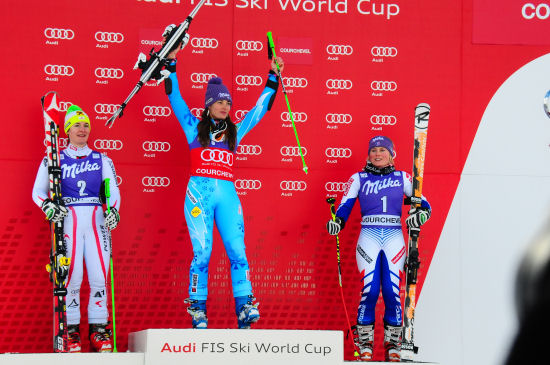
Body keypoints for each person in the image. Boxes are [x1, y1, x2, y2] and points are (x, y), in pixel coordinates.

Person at [163, 30, 282, 329]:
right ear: (208, 105)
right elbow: (173, 95)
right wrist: (172, 61)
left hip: (228, 195)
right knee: (202, 252)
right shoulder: (193, 128)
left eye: (228, 102)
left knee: (237, 251)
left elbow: (261, 108)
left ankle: (244, 307)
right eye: (220, 102)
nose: (225, 106)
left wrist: (273, 75)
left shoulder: (234, 132)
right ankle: (198, 309)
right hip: (199, 195)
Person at [326, 135, 431, 362]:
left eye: (382, 150)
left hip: (394, 237)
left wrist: (420, 215)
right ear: (368, 155)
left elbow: (425, 204)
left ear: (392, 154)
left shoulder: (402, 177)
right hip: (369, 237)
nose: (377, 154)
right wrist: (337, 222)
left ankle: (393, 344)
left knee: (393, 293)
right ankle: (365, 344)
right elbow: (345, 206)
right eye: (373, 150)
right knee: (370, 292)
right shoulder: (358, 178)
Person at [32, 105, 120, 352]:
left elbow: (112, 189)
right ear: (67, 130)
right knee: (71, 276)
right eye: (76, 125)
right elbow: (37, 192)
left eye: (86, 125)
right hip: (68, 218)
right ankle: (70, 331)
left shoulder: (102, 159)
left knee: (99, 275)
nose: (82, 129)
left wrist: (113, 210)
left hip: (95, 219)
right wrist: (48, 206)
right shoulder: (53, 157)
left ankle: (99, 329)